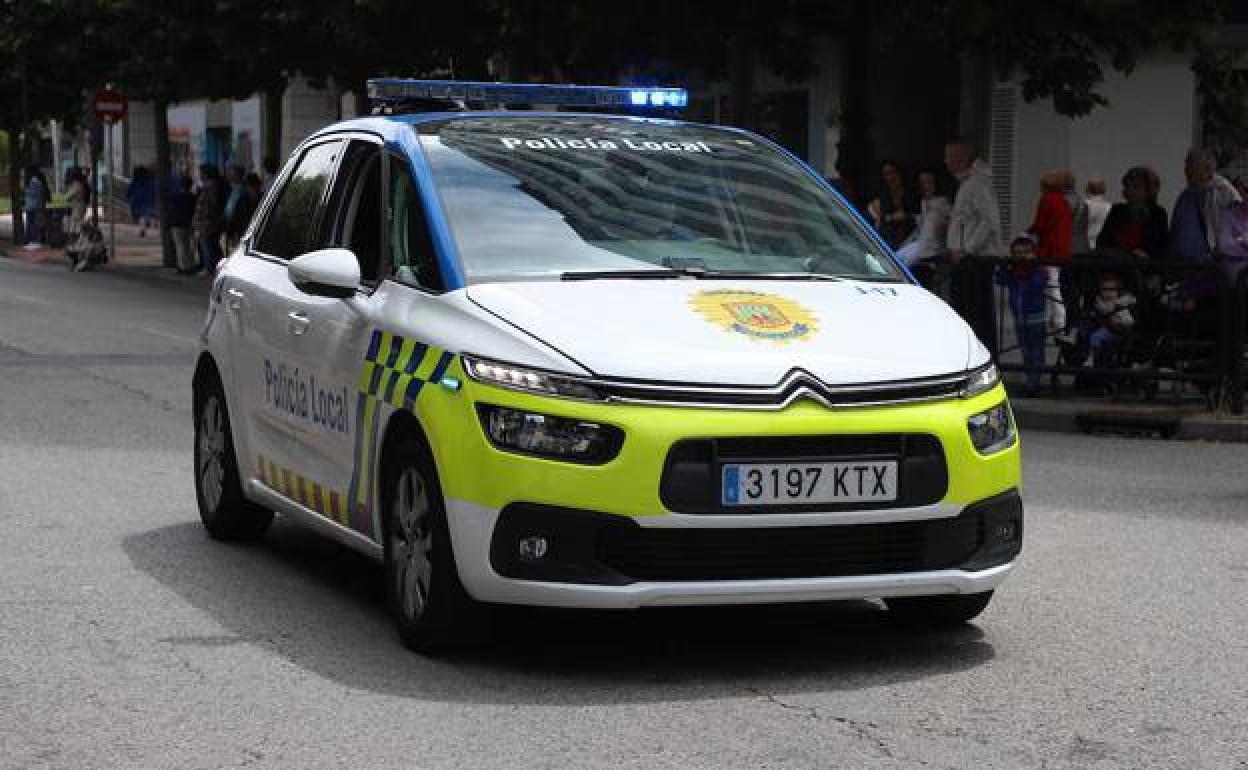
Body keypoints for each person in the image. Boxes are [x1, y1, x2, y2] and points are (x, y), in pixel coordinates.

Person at [944, 137, 1003, 353]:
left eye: (950, 156)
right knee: (971, 314)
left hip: (973, 261)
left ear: (963, 158)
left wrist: (966, 248)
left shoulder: (976, 185)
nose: (946, 162)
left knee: (975, 316)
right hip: (968, 259)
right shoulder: (970, 184)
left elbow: (989, 220)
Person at [995, 234, 1048, 395]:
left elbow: (1037, 285)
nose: (1022, 256)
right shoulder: (1012, 272)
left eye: (1026, 252)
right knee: (1025, 349)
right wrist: (1005, 266)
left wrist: (1027, 273)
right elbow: (999, 279)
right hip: (1018, 316)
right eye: (1017, 253)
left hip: (1035, 318)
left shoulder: (1039, 271)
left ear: (1034, 254)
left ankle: (1034, 383)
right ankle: (1029, 380)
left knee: (1037, 350)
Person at [1169, 147, 1240, 262]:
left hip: (1216, 263)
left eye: (1192, 166)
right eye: (1186, 166)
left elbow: (1237, 229)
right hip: (1185, 265)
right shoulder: (1185, 196)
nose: (1186, 170)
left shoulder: (1225, 192)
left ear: (1208, 170)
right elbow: (1176, 230)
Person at [1029, 170, 1074, 336]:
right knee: (1058, 285)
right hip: (1064, 248)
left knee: (1052, 286)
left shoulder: (1046, 199)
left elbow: (1040, 224)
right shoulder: (1063, 201)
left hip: (1050, 249)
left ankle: (1059, 320)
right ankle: (1058, 319)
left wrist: (1029, 232)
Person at [895, 168, 951, 292]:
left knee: (901, 266)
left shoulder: (944, 204)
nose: (925, 186)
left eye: (928, 182)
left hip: (935, 250)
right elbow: (921, 229)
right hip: (921, 244)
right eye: (922, 183)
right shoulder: (924, 202)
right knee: (895, 258)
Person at [1095, 166, 1168, 260]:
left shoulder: (1158, 214)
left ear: (1149, 191)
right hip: (1114, 265)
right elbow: (1102, 241)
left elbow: (1158, 247)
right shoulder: (1117, 211)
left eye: (1136, 186)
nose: (1130, 190)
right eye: (1127, 186)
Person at [866, 159, 917, 249]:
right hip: (887, 242)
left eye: (893, 172)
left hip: (909, 241)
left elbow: (908, 214)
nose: (891, 177)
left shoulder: (911, 194)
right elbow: (877, 213)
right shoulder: (883, 195)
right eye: (887, 174)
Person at [1214, 175, 1248, 288]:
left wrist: (1239, 240)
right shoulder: (1229, 215)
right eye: (1246, 191)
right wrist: (1243, 242)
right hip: (1234, 272)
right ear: (1241, 192)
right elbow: (1224, 246)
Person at [192, 164, 226, 275]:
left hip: (208, 223)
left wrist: (206, 218)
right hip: (206, 222)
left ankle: (210, 268)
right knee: (209, 245)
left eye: (201, 173)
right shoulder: (210, 186)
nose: (200, 175)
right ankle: (211, 267)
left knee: (209, 245)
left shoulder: (212, 187)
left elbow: (212, 206)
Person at [169, 175, 198, 274]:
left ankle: (183, 267)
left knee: (180, 246)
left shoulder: (175, 197)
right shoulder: (193, 197)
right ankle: (191, 264)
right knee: (189, 246)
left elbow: (171, 210)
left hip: (177, 223)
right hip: (189, 223)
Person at [22, 166, 49, 249]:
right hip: (35, 205)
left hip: (32, 205)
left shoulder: (34, 181)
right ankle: (33, 240)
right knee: (33, 223)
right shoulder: (36, 181)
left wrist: (25, 190)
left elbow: (33, 193)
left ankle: (33, 240)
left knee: (32, 224)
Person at [126, 166, 157, 237]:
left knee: (142, 216)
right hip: (147, 202)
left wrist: (130, 198)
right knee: (145, 215)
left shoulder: (134, 183)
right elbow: (154, 192)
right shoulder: (150, 182)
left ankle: (143, 228)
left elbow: (128, 193)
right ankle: (146, 226)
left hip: (138, 203)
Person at [223, 165, 248, 252]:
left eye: (233, 174)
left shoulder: (243, 189)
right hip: (229, 223)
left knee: (236, 249)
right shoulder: (231, 188)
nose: (230, 176)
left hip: (237, 224)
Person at [63, 167, 89, 246]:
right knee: (74, 227)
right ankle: (75, 244)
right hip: (79, 207)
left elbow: (67, 197)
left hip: (77, 208)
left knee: (74, 228)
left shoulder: (76, 185)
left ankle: (75, 244)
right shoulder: (81, 183)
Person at [1085, 176, 1112, 244]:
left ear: (1088, 189)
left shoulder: (1083, 206)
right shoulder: (1110, 207)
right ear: (1104, 189)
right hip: (1104, 244)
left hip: (1086, 244)